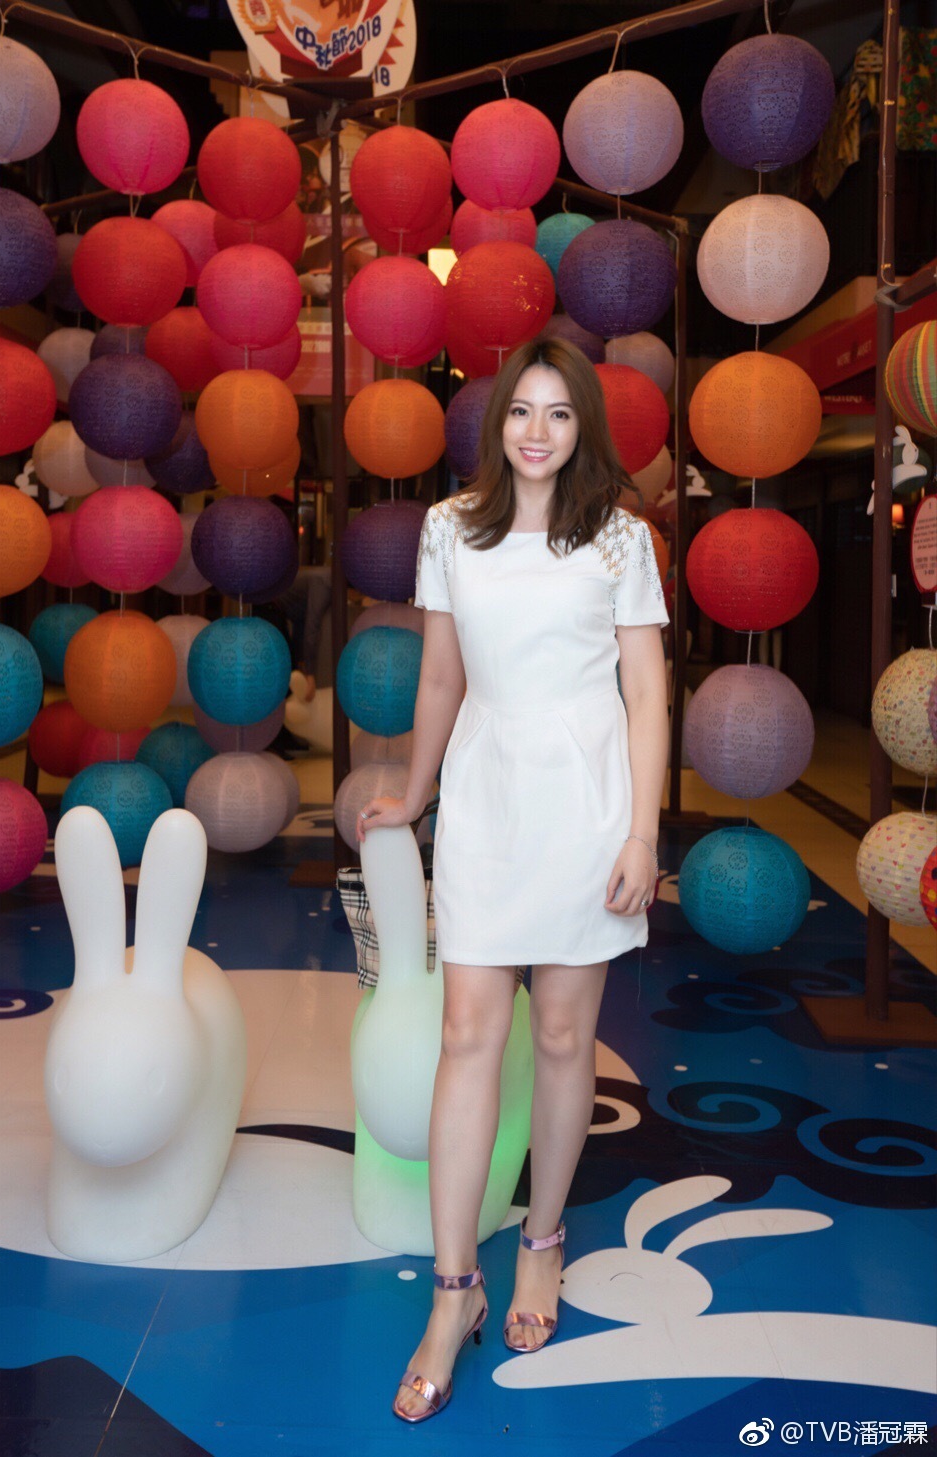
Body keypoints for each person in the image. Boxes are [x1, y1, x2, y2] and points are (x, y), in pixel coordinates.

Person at [356, 337, 669, 1424]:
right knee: (467, 1034)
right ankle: (455, 1291)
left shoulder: (619, 536)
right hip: (487, 801)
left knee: (565, 1038)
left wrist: (642, 834)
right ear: (498, 425)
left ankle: (541, 1239)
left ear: (584, 428)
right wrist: (414, 790)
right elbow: (442, 673)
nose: (539, 431)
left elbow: (646, 694)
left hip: (587, 806)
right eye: (522, 411)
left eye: (560, 413)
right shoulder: (451, 528)